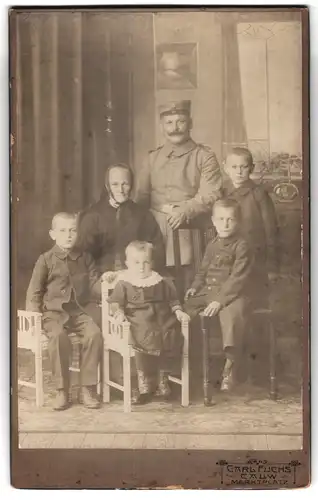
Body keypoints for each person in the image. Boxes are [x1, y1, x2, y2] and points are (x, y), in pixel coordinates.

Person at [26, 212, 103, 411]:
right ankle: (62, 389)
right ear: (53, 234)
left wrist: (105, 282)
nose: (68, 235)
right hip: (54, 313)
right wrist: (34, 321)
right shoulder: (46, 260)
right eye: (63, 231)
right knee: (59, 337)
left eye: (73, 230)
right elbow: (34, 292)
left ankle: (87, 388)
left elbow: (95, 285)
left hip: (79, 311)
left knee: (94, 334)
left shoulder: (85, 257)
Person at [134, 100, 222, 269]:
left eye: (180, 121)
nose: (175, 128)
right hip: (154, 231)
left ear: (190, 123)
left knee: (186, 278)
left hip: (190, 230)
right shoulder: (153, 158)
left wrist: (184, 210)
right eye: (169, 123)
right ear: (162, 127)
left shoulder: (204, 156)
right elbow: (141, 198)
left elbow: (211, 195)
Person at [184, 199, 254, 391]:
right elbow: (203, 270)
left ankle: (229, 367)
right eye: (221, 219)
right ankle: (184, 364)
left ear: (238, 222)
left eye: (230, 219)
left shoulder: (242, 245)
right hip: (209, 291)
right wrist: (195, 286)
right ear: (214, 221)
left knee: (232, 316)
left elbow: (238, 278)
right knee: (184, 309)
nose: (225, 224)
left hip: (233, 294)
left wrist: (219, 301)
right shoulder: (212, 244)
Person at [108, 241, 189, 405]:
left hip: (161, 317)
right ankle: (144, 382)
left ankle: (162, 377)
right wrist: (119, 313)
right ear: (127, 264)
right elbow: (116, 302)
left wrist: (178, 311)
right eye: (136, 262)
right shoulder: (124, 282)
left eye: (146, 262)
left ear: (151, 263)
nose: (141, 267)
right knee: (144, 330)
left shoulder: (161, 281)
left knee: (170, 330)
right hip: (137, 318)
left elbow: (172, 299)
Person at [77, 163, 165, 275]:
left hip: (137, 276)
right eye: (115, 184)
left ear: (131, 185)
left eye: (125, 184)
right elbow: (84, 255)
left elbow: (157, 251)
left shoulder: (143, 215)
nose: (120, 189)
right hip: (101, 276)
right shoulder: (93, 215)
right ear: (107, 186)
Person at [222, 147, 280, 307]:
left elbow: (271, 230)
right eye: (234, 167)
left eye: (244, 166)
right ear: (225, 168)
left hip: (253, 258)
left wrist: (272, 266)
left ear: (252, 168)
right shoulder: (221, 192)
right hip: (227, 257)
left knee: (250, 300)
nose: (239, 171)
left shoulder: (259, 193)